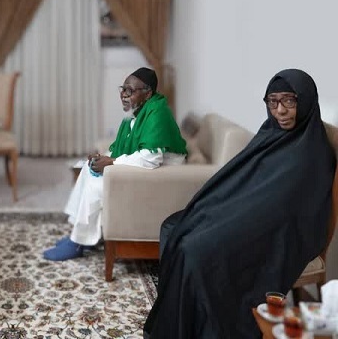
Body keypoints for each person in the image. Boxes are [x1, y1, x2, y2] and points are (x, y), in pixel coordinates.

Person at [143, 69, 336, 338]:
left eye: (289, 101)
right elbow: (243, 180)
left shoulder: (313, 152)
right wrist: (221, 209)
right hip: (245, 213)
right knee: (174, 227)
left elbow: (291, 209)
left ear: (305, 101)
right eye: (273, 102)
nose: (280, 110)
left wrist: (232, 219)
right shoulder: (270, 133)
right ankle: (183, 322)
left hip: (274, 231)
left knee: (195, 250)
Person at [43, 67, 187, 261]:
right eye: (123, 89)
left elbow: (151, 158)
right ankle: (78, 234)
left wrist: (111, 162)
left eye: (130, 90)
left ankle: (78, 243)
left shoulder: (157, 113)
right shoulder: (137, 111)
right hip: (147, 167)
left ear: (148, 93)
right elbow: (128, 148)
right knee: (87, 168)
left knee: (96, 186)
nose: (124, 94)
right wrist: (104, 157)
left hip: (158, 175)